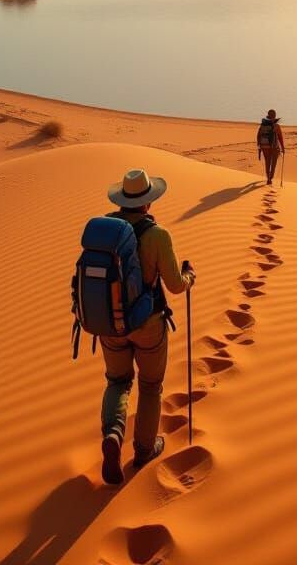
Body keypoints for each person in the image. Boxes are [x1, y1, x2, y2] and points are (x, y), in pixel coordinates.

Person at [99, 168, 195, 485]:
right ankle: (143, 450)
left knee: (117, 381)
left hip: (110, 322)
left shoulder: (105, 230)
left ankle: (113, 434)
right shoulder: (157, 236)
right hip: (148, 324)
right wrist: (189, 276)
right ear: (148, 203)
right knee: (150, 386)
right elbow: (175, 285)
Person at [256, 109, 285, 185]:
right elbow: (280, 138)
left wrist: (259, 146)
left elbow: (258, 136)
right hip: (274, 147)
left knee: (267, 162)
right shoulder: (277, 126)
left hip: (264, 146)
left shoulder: (263, 125)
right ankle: (271, 178)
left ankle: (268, 178)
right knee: (273, 163)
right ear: (275, 116)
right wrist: (283, 148)